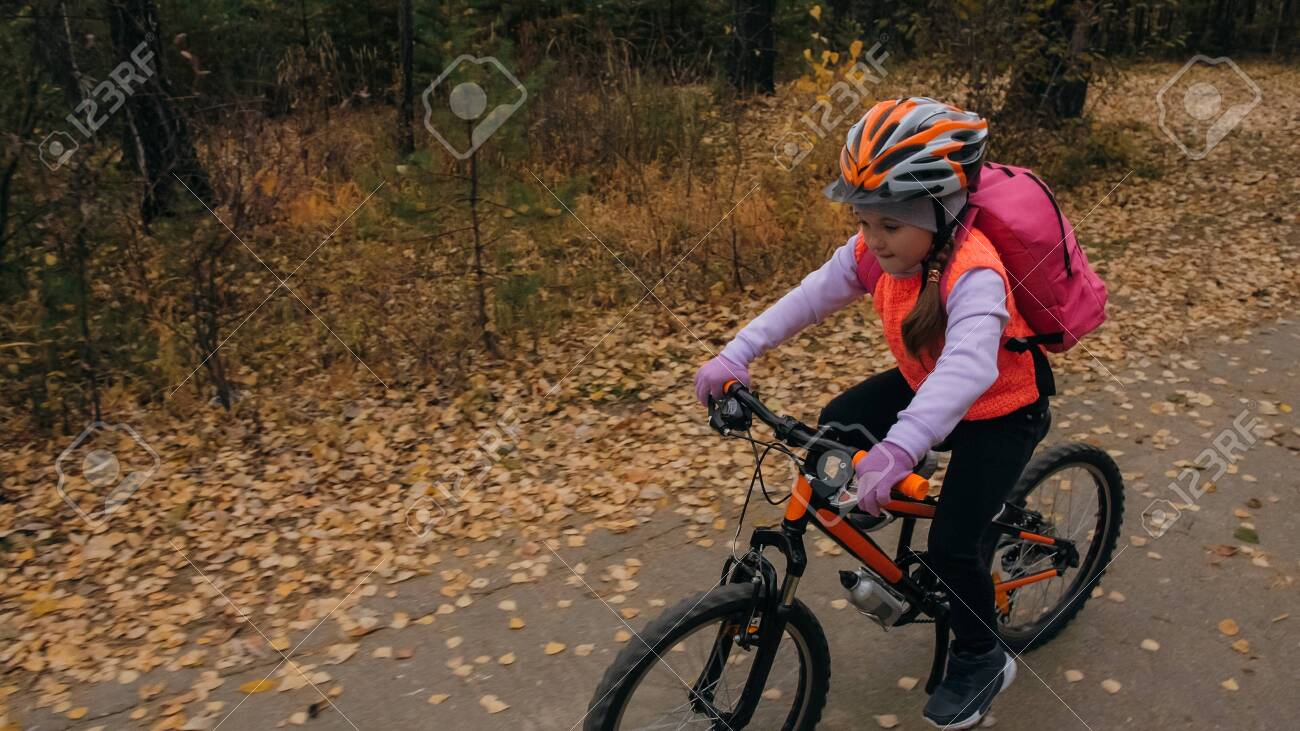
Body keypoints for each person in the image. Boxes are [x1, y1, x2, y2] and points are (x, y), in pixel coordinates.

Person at [693, 97, 1054, 730]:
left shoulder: (975, 274)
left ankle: (981, 657)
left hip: (1002, 410)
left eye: (889, 224)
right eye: (863, 221)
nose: (872, 239)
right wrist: (737, 352)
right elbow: (810, 295)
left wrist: (901, 446)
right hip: (925, 383)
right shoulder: (878, 253)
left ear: (941, 212)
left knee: (951, 546)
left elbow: (968, 369)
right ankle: (883, 494)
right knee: (836, 425)